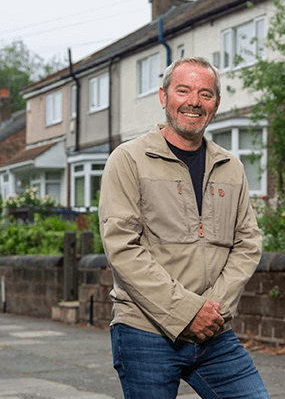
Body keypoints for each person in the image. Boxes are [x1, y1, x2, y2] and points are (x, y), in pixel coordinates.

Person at [99, 57, 271, 398]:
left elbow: (248, 243)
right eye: (183, 90)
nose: (194, 101)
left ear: (216, 104)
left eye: (206, 94)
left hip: (214, 334)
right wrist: (187, 312)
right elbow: (123, 248)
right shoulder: (128, 159)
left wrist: (211, 311)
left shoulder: (230, 167)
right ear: (164, 97)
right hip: (146, 332)